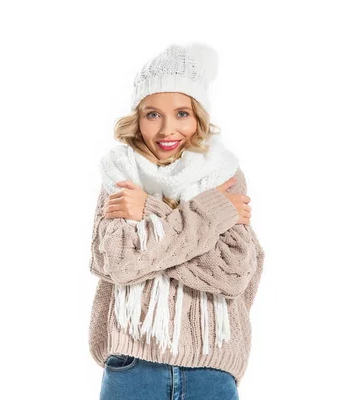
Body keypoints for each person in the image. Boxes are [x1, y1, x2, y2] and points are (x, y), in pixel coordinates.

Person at [88, 42, 266, 400]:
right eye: (153, 114)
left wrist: (149, 214)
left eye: (182, 113)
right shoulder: (120, 175)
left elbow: (232, 271)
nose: (168, 129)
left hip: (212, 367)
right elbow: (120, 262)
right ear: (138, 119)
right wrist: (211, 215)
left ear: (199, 117)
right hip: (132, 366)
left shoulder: (224, 176)